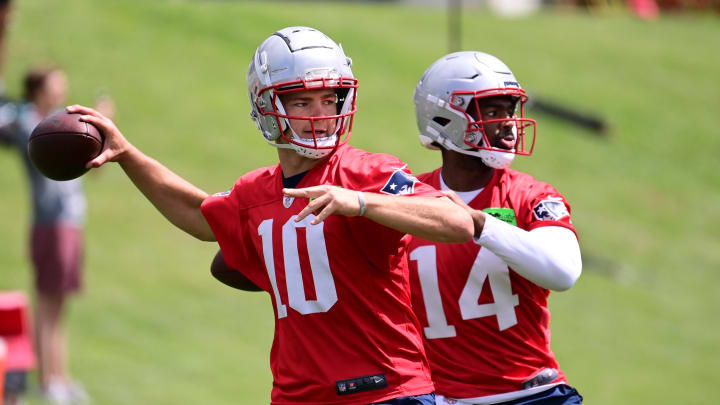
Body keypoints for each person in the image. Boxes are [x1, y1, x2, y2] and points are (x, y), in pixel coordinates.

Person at [67, 26, 474, 405]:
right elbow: (197, 213)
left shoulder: (366, 172)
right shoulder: (255, 193)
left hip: (387, 393)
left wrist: (360, 202)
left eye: (329, 98)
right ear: (267, 105)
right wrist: (127, 155)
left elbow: (456, 221)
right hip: (299, 396)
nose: (320, 112)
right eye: (302, 101)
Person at [406, 51, 583, 405]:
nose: (508, 123)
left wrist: (478, 223)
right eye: (491, 111)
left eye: (509, 110)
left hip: (533, 395)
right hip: (441, 399)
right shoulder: (407, 197)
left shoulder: (530, 195)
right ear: (445, 117)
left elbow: (563, 271)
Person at [0, 66, 112, 405]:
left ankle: (59, 376)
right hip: (50, 224)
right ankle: (47, 380)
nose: (62, 89)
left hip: (69, 223)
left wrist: (102, 131)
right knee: (48, 303)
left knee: (60, 305)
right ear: (38, 90)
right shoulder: (31, 125)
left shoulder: (56, 123)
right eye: (55, 84)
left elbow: (92, 166)